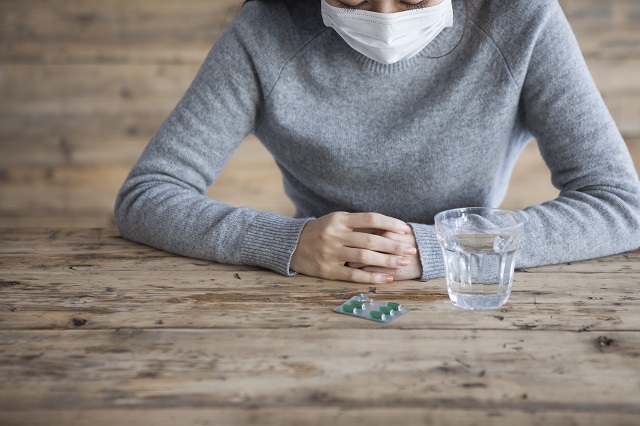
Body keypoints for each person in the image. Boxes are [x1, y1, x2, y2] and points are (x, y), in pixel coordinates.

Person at [114, 0, 640, 284]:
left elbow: (621, 205)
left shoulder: (525, 20)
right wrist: (287, 242)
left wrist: (445, 248)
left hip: (465, 297)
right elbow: (146, 195)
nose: (385, 16)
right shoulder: (264, 32)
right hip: (306, 295)